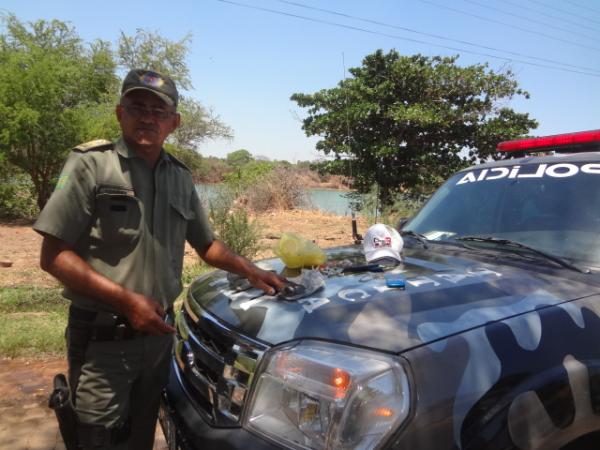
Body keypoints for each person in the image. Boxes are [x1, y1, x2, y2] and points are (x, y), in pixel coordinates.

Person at [34, 69, 286, 449]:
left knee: (141, 436)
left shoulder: (180, 177)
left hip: (158, 340)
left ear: (174, 122)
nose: (148, 116)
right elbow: (53, 257)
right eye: (137, 106)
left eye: (159, 110)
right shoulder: (90, 164)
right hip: (103, 339)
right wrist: (126, 301)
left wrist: (253, 270)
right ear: (120, 113)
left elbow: (207, 246)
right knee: (96, 438)